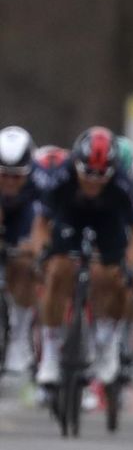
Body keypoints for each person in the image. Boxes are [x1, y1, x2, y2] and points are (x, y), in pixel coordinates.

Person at [32, 127, 133, 386]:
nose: (94, 181)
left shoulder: (123, 186)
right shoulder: (61, 177)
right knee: (57, 271)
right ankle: (50, 352)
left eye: (101, 175)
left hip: (108, 222)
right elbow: (41, 224)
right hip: (70, 218)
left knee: (113, 278)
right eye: (88, 174)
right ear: (77, 164)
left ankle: (108, 342)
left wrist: (130, 266)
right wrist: (41, 254)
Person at [0, 126, 41, 373]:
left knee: (25, 264)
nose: (11, 182)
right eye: (4, 175)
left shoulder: (41, 180)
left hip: (25, 222)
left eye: (18, 176)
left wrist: (33, 247)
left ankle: (19, 332)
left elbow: (44, 224)